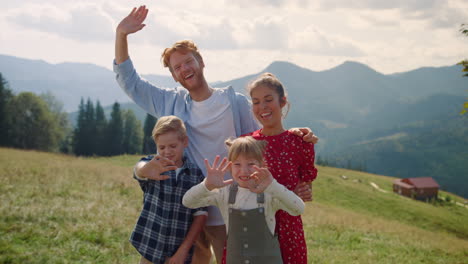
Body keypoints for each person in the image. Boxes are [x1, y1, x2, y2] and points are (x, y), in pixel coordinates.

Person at [113, 6, 317, 263]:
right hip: (187, 206)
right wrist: (121, 34)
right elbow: (130, 83)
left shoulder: (235, 102)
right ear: (174, 76)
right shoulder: (170, 103)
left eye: (189, 61)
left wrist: (297, 134)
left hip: (229, 208)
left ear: (201, 62)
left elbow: (263, 135)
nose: (184, 68)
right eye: (177, 67)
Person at [182, 137, 305, 263]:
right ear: (230, 166)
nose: (244, 170)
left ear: (261, 165)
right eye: (237, 164)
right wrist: (207, 185)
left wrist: (273, 185)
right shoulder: (224, 193)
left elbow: (298, 209)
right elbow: (188, 201)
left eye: (251, 164)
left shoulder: (270, 193)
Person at [244, 72, 318, 264]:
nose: (262, 107)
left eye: (268, 100)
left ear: (283, 102)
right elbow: (241, 190)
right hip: (255, 225)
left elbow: (306, 190)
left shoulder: (300, 142)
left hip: (289, 229)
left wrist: (301, 192)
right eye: (256, 102)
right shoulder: (246, 143)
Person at [131, 116, 206, 264]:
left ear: (184, 142)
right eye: (162, 147)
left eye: (173, 146)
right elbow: (138, 170)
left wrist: (183, 250)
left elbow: (200, 216)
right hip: (150, 247)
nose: (167, 152)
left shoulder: (196, 175)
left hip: (179, 253)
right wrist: (143, 170)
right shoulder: (153, 166)